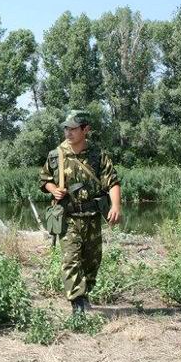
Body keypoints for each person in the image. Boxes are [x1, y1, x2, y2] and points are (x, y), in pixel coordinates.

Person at [39, 110, 122, 314]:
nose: (68, 132)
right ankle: (77, 303)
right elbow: (44, 180)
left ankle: (85, 294)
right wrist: (53, 189)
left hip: (92, 217)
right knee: (71, 260)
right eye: (66, 128)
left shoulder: (98, 155)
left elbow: (112, 181)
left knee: (93, 260)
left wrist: (116, 206)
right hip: (68, 217)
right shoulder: (55, 155)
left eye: (73, 128)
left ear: (86, 129)